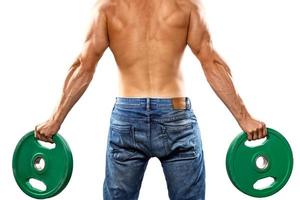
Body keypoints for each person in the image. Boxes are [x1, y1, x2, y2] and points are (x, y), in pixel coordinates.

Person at [35, 0, 267, 199]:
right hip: (176, 117)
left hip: (127, 117)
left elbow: (83, 68)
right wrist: (244, 119)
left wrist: (55, 120)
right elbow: (212, 64)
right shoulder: (186, 5)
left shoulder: (108, 7)